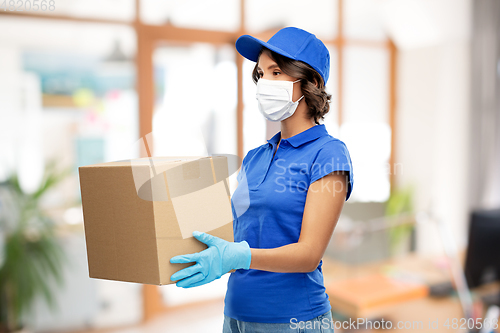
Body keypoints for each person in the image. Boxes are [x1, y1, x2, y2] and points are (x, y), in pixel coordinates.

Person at [169, 27, 354, 332]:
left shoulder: (329, 153)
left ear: (312, 82)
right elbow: (233, 234)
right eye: (261, 73)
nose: (265, 82)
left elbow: (309, 254)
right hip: (236, 315)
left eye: (276, 71)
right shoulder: (255, 157)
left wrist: (239, 256)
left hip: (294, 321)